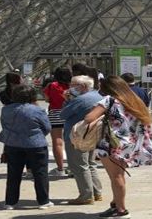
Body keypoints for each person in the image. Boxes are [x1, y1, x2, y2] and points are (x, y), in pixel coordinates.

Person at [83, 76, 152, 218]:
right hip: (129, 142)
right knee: (119, 176)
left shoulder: (109, 100)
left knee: (116, 177)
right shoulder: (134, 100)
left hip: (111, 143)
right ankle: (115, 204)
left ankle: (121, 210)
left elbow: (89, 118)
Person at [0, 85, 53, 210]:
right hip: (35, 144)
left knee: (13, 174)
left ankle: (10, 202)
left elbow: (4, 125)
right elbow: (47, 127)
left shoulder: (6, 110)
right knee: (40, 173)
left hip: (13, 144)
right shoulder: (37, 110)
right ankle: (43, 201)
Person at [60, 75, 104, 205]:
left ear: (83, 86)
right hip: (93, 134)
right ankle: (97, 192)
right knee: (91, 164)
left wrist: (67, 100)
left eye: (73, 85)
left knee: (79, 165)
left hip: (77, 136)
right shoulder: (98, 96)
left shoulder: (79, 100)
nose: (70, 88)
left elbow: (63, 114)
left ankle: (86, 195)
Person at [43, 67, 70, 177]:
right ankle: (73, 167)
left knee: (57, 142)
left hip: (55, 113)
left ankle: (60, 168)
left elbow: (47, 99)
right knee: (72, 142)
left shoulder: (52, 85)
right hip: (70, 113)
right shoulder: (72, 85)